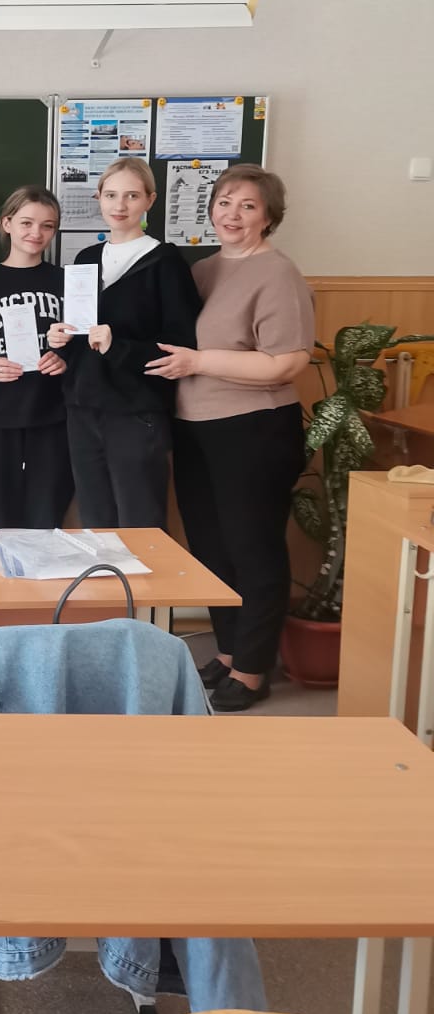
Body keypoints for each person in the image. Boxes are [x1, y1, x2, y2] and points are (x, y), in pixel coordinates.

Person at [147, 165, 313, 711]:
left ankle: (253, 666)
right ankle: (227, 650)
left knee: (252, 545)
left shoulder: (277, 273)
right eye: (224, 202)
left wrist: (198, 362)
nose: (232, 214)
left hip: (254, 427)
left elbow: (286, 362)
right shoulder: (202, 270)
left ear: (269, 216)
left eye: (247, 205)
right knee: (211, 546)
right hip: (194, 425)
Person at [48, 157, 199, 528]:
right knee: (95, 519)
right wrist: (60, 340)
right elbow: (81, 338)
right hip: (83, 408)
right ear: (99, 198)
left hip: (135, 412)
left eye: (132, 195)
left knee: (139, 521)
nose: (120, 205)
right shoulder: (86, 259)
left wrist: (119, 346)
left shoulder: (165, 263)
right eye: (111, 195)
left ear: (150, 200)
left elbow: (180, 347)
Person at [0, 187, 73, 529]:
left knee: (46, 517)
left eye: (47, 225)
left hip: (51, 415)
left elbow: (87, 347)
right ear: (7, 223)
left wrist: (66, 360)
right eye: (26, 222)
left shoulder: (66, 282)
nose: (36, 233)